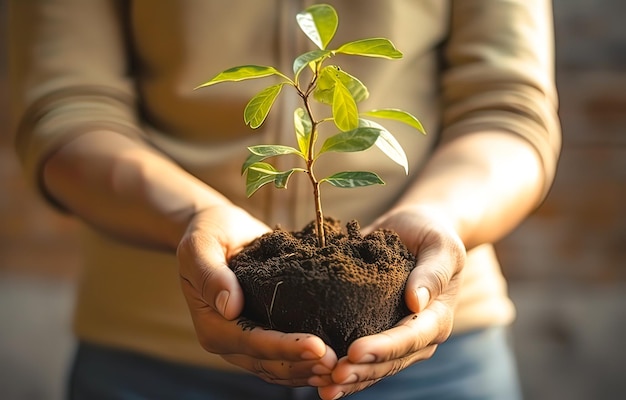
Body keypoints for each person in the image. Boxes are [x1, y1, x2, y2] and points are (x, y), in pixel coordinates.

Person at [9, 1, 561, 399]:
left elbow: (508, 109)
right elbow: (63, 111)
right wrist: (195, 216)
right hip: (150, 359)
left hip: (434, 358)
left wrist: (443, 218)